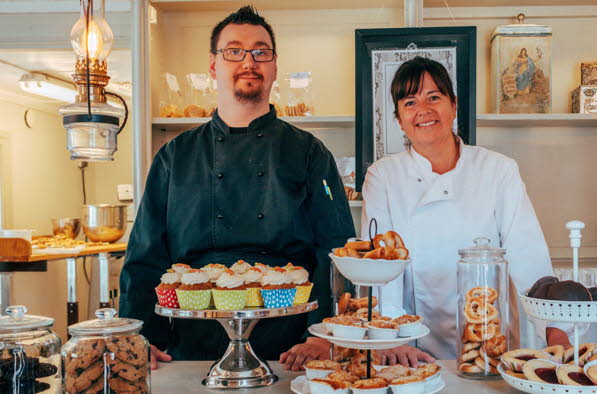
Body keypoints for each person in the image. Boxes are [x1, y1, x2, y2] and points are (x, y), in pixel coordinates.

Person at [119, 6, 355, 370]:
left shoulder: (310, 153)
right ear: (213, 65)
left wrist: (324, 334)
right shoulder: (174, 156)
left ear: (274, 66)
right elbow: (145, 255)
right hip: (192, 346)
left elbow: (336, 250)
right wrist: (140, 335)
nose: (249, 61)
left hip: (290, 350)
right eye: (234, 51)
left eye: (261, 52)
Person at [361, 57, 571, 363]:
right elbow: (382, 266)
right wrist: (390, 334)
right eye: (410, 102)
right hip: (411, 340)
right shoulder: (383, 176)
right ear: (398, 119)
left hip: (488, 333)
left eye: (434, 97)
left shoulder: (498, 170)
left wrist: (555, 327)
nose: (424, 110)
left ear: (453, 105)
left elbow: (528, 252)